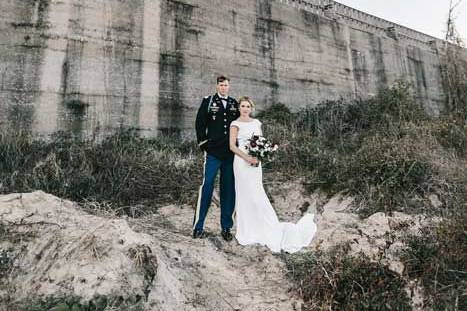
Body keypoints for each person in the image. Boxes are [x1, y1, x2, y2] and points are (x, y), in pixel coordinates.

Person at [229, 96, 317, 253]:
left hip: (256, 162)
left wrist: (260, 155)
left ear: (251, 108)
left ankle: (264, 226)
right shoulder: (235, 124)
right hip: (241, 162)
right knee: (244, 195)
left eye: (248, 106)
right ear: (239, 108)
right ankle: (247, 229)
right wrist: (247, 157)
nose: (245, 108)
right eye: (242, 106)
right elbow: (232, 146)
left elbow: (261, 141)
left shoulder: (257, 123)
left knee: (257, 194)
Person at [193, 75, 240, 241]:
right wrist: (203, 144)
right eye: (221, 85)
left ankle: (226, 227)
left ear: (229, 87)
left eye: (226, 85)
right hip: (213, 152)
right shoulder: (208, 101)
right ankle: (198, 227)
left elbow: (239, 126)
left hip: (229, 154)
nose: (223, 88)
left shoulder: (235, 103)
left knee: (228, 190)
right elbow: (200, 123)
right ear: (217, 86)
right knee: (207, 187)